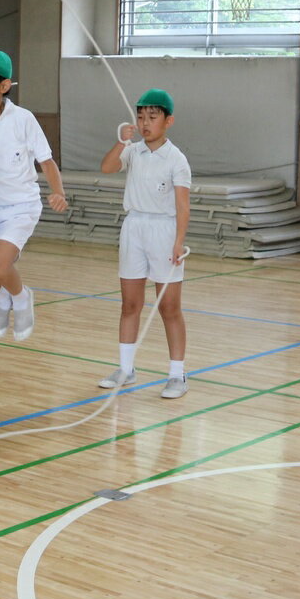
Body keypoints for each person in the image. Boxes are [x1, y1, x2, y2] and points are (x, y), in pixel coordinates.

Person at [0, 48, 68, 341]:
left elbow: (46, 161)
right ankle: (2, 298)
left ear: (3, 86)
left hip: (20, 208)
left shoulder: (24, 119)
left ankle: (21, 298)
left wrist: (58, 192)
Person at [96, 88, 190, 400]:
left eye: (152, 116)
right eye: (141, 116)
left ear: (169, 121)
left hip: (164, 230)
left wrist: (178, 242)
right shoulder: (132, 151)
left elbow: (183, 206)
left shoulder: (177, 159)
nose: (145, 122)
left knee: (169, 307)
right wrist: (122, 140)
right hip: (134, 227)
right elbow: (107, 167)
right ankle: (126, 369)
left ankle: (177, 375)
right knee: (130, 304)